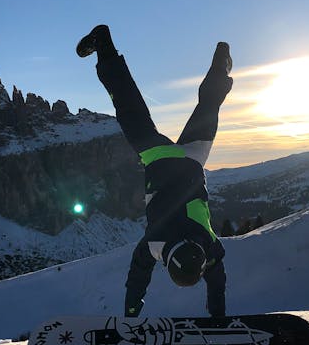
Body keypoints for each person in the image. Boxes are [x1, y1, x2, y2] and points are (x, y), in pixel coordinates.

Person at [76, 25, 233, 318]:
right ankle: (103, 44)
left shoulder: (208, 245)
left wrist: (219, 318)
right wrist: (131, 313)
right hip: (157, 157)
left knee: (209, 105)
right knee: (128, 103)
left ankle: (221, 61)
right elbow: (137, 278)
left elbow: (217, 284)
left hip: (192, 155)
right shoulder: (155, 245)